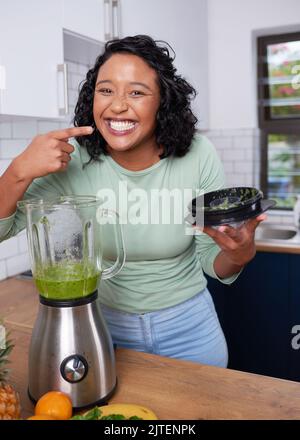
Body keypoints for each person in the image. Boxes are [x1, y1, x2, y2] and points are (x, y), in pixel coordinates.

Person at [0, 35, 265, 368]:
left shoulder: (198, 155)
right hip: (104, 330)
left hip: (190, 329)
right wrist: (18, 172)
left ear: (163, 102)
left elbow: (210, 259)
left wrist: (237, 254)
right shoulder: (74, 158)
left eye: (137, 92)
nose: (118, 105)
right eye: (106, 90)